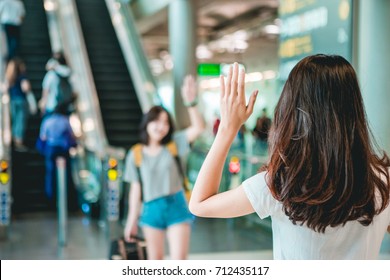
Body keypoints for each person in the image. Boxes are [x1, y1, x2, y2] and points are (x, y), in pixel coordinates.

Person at [189, 56, 390, 259]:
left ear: (291, 109)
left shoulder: (282, 185)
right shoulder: (383, 181)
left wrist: (227, 128)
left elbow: (200, 204)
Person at [123, 75, 204, 260]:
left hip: (176, 204)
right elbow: (135, 191)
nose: (161, 127)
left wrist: (191, 102)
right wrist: (131, 221)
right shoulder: (135, 153)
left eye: (166, 122)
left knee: (179, 261)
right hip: (151, 209)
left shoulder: (174, 144)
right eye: (156, 121)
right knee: (155, 261)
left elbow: (198, 128)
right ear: (147, 123)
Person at [38, 101, 78, 209]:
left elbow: (43, 137)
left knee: (50, 174)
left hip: (50, 150)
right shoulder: (65, 120)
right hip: (63, 150)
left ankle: (50, 198)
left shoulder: (47, 121)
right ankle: (66, 198)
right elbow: (71, 136)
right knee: (65, 174)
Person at [4, 57, 31, 150]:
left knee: (14, 120)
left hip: (12, 101)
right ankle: (18, 141)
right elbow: (26, 88)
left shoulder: (10, 77)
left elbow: (6, 88)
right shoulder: (22, 76)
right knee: (20, 120)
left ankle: (12, 140)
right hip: (20, 100)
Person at [39, 52, 74, 116]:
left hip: (55, 106)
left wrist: (43, 104)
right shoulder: (52, 74)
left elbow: (46, 90)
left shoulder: (52, 74)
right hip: (60, 106)